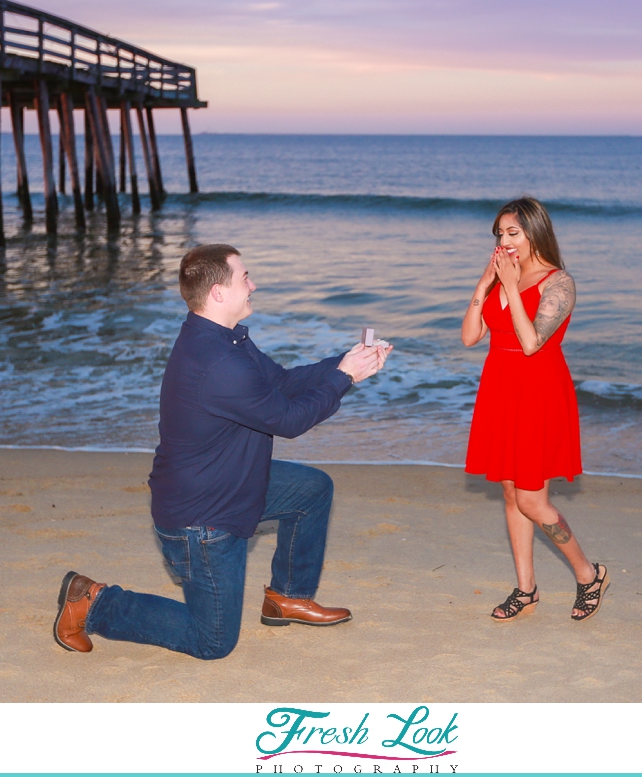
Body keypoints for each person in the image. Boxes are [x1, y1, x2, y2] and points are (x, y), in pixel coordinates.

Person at [54, 243, 391, 659]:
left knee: (312, 490)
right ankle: (94, 603)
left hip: (232, 482)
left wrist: (346, 361)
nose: (254, 284)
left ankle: (287, 597)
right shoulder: (217, 363)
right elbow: (288, 420)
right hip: (202, 519)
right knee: (212, 641)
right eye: (245, 277)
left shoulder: (224, 340)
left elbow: (282, 383)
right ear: (217, 293)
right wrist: (344, 379)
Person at [462, 196, 608, 622]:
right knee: (509, 490)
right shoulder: (501, 276)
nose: (504, 242)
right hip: (499, 389)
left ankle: (589, 573)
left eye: (513, 233)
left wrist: (508, 285)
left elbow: (531, 343)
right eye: (499, 234)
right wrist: (483, 283)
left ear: (534, 232)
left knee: (533, 499)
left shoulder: (558, 283)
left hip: (537, 392)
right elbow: (470, 336)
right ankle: (526, 589)